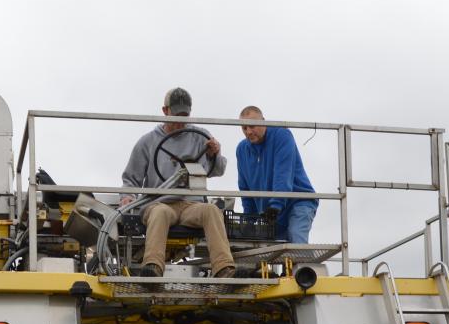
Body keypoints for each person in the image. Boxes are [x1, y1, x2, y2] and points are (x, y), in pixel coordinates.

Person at [120, 87, 235, 277]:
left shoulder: (200, 137)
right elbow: (131, 178)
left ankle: (223, 267)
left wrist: (214, 154)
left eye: (185, 116)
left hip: (192, 205)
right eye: (176, 116)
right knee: (160, 213)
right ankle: (153, 267)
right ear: (165, 111)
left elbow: (218, 170)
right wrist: (127, 197)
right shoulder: (148, 142)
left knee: (212, 210)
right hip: (160, 202)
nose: (181, 122)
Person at [236, 105, 317, 244]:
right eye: (244, 128)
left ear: (264, 121)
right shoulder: (242, 150)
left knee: (295, 239)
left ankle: (303, 265)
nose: (248, 131)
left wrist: (275, 206)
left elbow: (283, 174)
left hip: (297, 201)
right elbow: (245, 189)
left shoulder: (281, 135)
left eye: (252, 126)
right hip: (270, 212)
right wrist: (249, 220)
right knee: (265, 251)